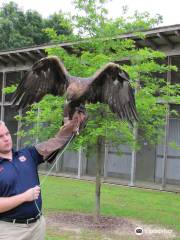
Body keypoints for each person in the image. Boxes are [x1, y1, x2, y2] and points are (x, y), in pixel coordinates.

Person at [0, 110, 86, 240]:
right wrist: (24, 197)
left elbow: (55, 142)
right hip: (11, 231)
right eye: (0, 136)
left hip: (37, 227)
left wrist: (72, 124)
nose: (6, 138)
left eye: (7, 134)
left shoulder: (27, 154)